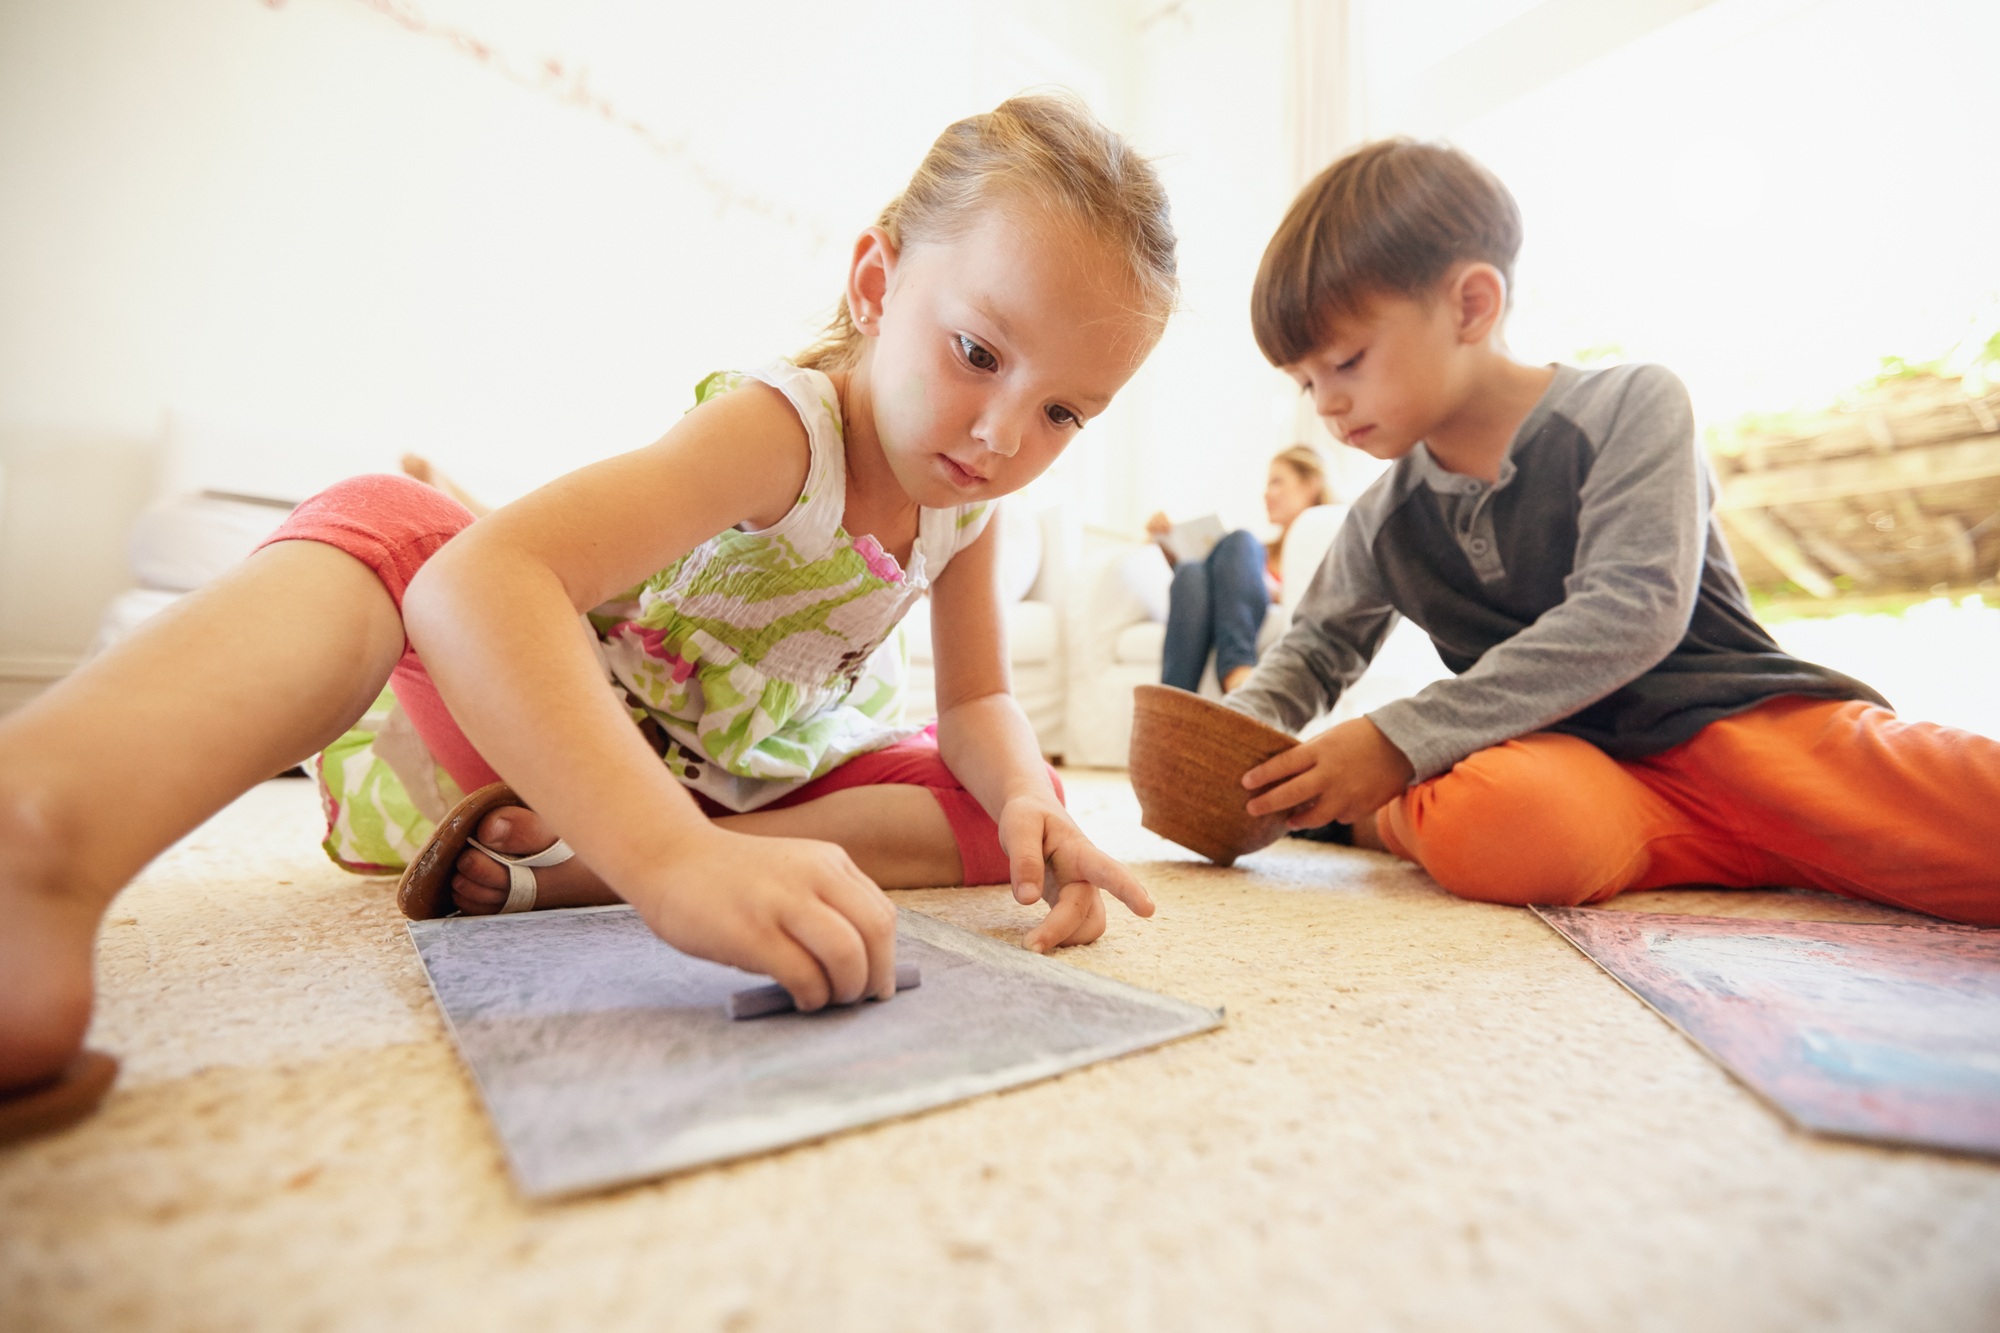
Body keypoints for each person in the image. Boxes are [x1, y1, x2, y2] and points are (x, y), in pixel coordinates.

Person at [0, 94, 1176, 1133]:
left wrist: (1027, 799)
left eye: (1064, 412)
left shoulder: (966, 510)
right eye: (977, 353)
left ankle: (581, 873)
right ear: (876, 284)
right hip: (558, 745)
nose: (1000, 436)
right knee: (395, 524)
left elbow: (975, 703)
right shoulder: (781, 431)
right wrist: (668, 862)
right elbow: (475, 587)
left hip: (723, 776)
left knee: (1001, 806)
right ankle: (40, 831)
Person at [1225, 137, 1999, 926]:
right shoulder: (1380, 518)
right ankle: (1369, 818)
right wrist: (1220, 750)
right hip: (1573, 770)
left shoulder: (1632, 404)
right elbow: (1315, 652)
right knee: (1503, 820)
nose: (1325, 403)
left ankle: (1377, 812)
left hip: (1735, 728)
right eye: (1306, 381)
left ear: (1471, 305)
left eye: (1348, 361)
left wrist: (1398, 743)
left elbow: (1632, 608)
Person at [1144, 445, 1327, 693]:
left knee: (1240, 539)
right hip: (1209, 586)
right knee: (1189, 571)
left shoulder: (1328, 545)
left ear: (1310, 486)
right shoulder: (1258, 553)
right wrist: (1165, 543)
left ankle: (1230, 669)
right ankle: (1179, 700)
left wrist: (1274, 590)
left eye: (1277, 482)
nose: (1266, 493)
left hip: (1253, 604)